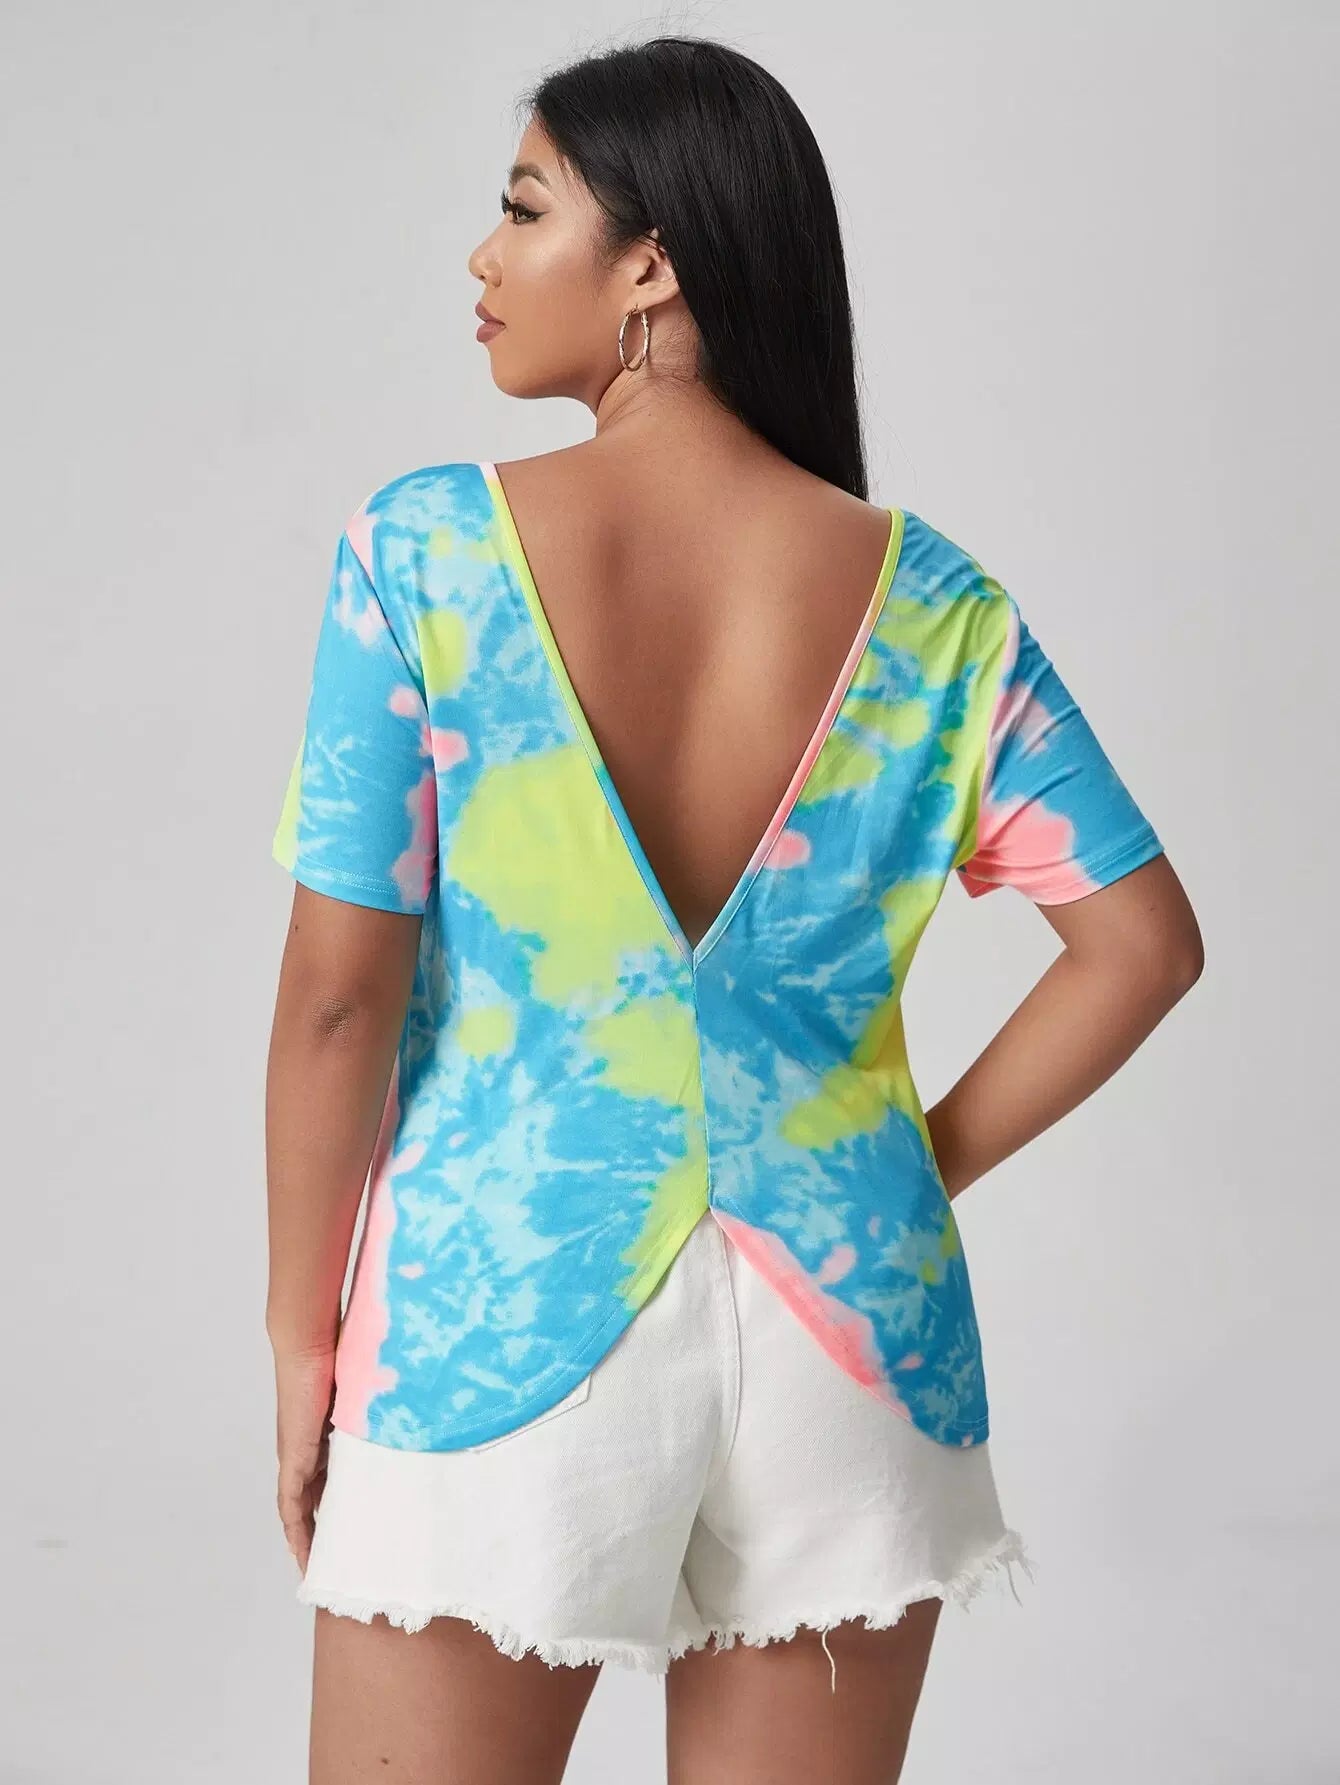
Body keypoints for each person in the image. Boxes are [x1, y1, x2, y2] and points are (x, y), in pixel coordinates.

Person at [264, 34, 1204, 1785]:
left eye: (523, 207)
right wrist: (902, 1161)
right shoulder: (935, 603)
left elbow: (338, 997)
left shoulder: (426, 552)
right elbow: (1144, 946)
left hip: (498, 1312)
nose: (482, 255)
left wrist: (298, 1335)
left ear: (652, 263)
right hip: (858, 1336)